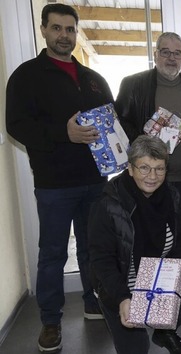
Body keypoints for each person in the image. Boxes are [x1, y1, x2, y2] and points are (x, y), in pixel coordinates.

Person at [5, 3, 113, 353]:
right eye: (57, 28)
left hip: (95, 182)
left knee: (92, 248)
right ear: (44, 30)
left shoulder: (93, 79)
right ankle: (50, 321)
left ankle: (93, 301)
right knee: (52, 253)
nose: (64, 35)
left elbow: (111, 123)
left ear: (76, 32)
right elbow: (16, 126)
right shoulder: (25, 76)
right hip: (54, 185)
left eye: (70, 29)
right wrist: (63, 134)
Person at [88, 135, 181, 354]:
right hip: (121, 287)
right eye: (144, 168)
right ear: (130, 169)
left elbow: (180, 237)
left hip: (157, 281)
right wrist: (123, 298)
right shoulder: (107, 205)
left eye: (159, 169)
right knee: (137, 348)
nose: (152, 176)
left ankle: (163, 330)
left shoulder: (171, 196)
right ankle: (142, 320)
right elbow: (102, 261)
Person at [115, 32, 181, 231]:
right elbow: (119, 123)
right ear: (155, 55)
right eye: (166, 52)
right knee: (146, 237)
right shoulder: (132, 84)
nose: (172, 58)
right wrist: (145, 140)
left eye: (177, 53)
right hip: (147, 177)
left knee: (178, 234)